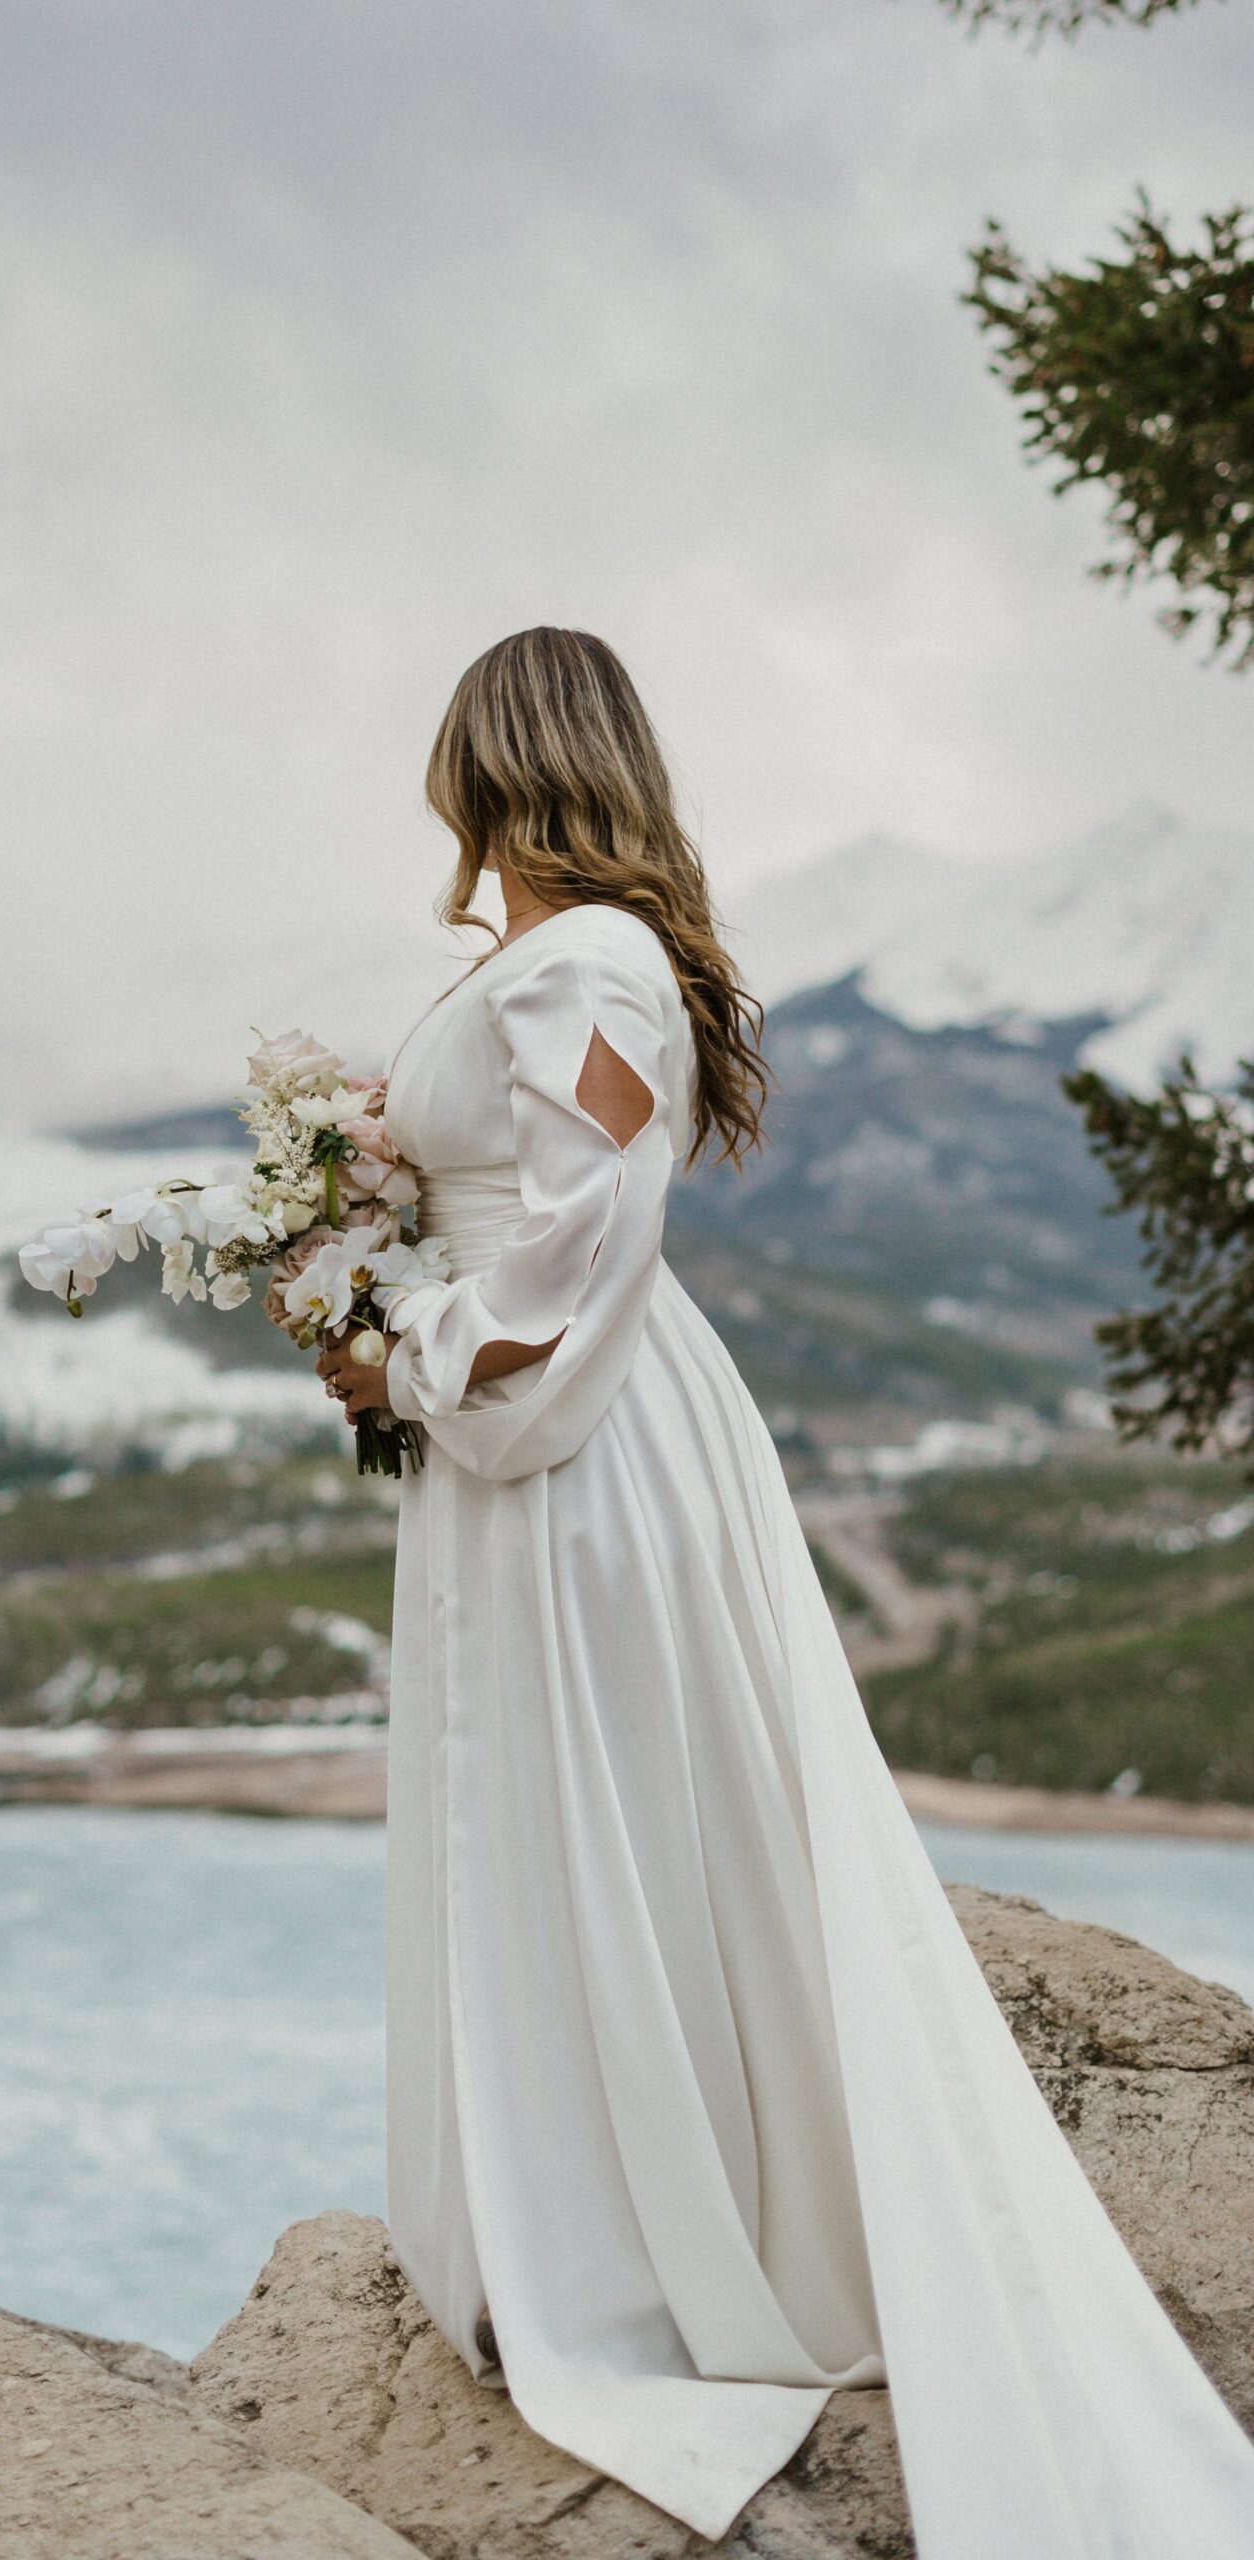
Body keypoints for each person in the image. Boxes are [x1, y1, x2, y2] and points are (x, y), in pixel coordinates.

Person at [315, 627, 1254, 2558]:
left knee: (601, 1822)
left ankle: (641, 2259)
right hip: (521, 1451)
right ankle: (565, 2218)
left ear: (498, 759)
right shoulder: (548, 959)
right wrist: (358, 1264)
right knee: (563, 1822)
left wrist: (396, 1355)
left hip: (571, 1453)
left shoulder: (590, 965)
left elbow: (586, 1239)